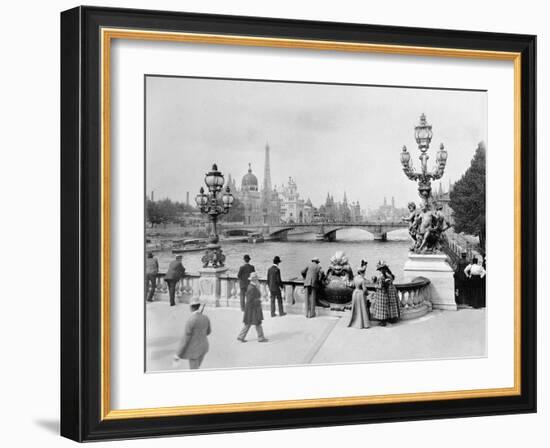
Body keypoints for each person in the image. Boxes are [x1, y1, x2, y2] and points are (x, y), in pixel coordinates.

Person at [173, 297, 211, 369]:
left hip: (194, 351)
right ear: (199, 306)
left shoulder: (190, 321)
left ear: (191, 307)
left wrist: (177, 355)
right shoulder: (206, 318)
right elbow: (208, 332)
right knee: (197, 368)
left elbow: (185, 340)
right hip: (204, 348)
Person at [237, 272, 268, 342]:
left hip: (251, 308)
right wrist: (259, 300)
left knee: (249, 323)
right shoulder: (252, 288)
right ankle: (261, 337)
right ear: (255, 280)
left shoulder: (251, 286)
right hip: (253, 309)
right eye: (257, 279)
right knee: (257, 323)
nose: (258, 281)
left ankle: (241, 336)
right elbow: (250, 300)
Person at [371, 261, 400, 326]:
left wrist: (375, 285)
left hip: (386, 291)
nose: (380, 271)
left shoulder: (382, 276)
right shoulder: (390, 274)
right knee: (392, 304)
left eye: (380, 269)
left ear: (383, 269)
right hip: (392, 289)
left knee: (385, 305)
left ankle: (385, 319)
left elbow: (381, 285)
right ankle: (392, 318)